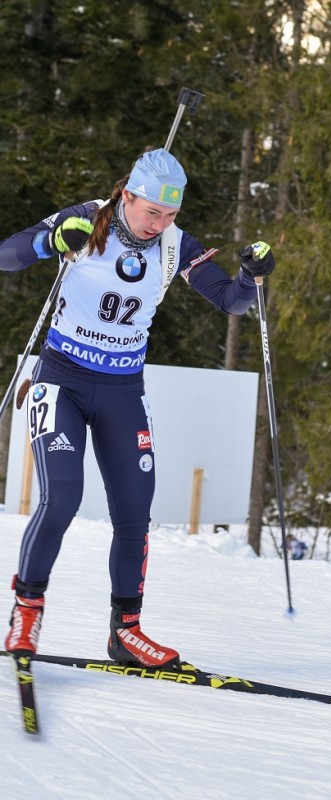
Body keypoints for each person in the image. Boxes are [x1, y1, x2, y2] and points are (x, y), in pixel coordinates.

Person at [0, 147, 275, 668]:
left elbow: (231, 301)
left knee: (134, 512)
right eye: (152, 212)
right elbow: (7, 255)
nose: (160, 225)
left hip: (123, 390)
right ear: (127, 196)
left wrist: (251, 277)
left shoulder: (175, 245)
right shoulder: (87, 220)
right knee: (61, 499)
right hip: (62, 380)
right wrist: (49, 240)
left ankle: (125, 631)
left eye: (170, 215)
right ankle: (26, 611)